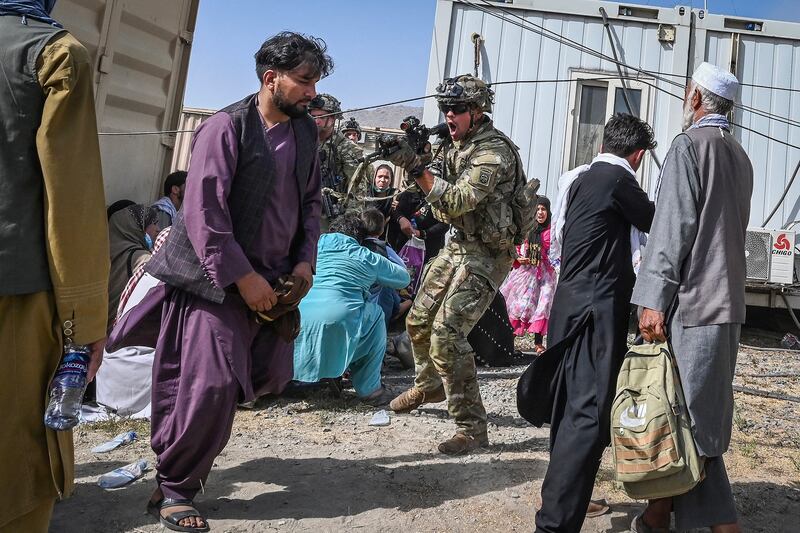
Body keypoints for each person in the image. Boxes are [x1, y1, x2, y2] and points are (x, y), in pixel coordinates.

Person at [106, 31, 330, 532]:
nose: (311, 91)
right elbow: (204, 215)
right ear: (271, 78)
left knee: (261, 378)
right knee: (206, 384)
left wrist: (303, 265)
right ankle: (175, 489)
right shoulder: (224, 128)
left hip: (274, 285)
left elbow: (311, 204)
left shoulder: (305, 134)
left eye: (315, 81)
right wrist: (243, 278)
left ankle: (177, 472)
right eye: (305, 80)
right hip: (216, 283)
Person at [630, 63, 753, 533]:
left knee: (687, 417)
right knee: (697, 410)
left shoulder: (688, 147)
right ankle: (658, 515)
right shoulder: (739, 155)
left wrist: (653, 299)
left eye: (688, 93)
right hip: (729, 305)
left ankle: (718, 523)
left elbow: (671, 229)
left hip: (695, 305)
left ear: (697, 99)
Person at [0, 1, 109, 531]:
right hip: (19, 294)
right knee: (20, 465)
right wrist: (85, 321)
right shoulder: (54, 52)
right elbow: (72, 199)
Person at [386, 74, 526, 455]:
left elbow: (460, 198)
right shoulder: (455, 146)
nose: (449, 115)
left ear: (478, 111)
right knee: (417, 320)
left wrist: (416, 167)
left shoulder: (493, 152)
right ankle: (429, 385)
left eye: (458, 109)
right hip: (459, 244)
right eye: (445, 108)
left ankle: (471, 428)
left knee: (447, 334)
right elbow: (434, 186)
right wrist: (416, 154)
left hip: (488, 253)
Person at [534, 113, 656, 532]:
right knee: (588, 414)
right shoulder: (622, 181)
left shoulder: (580, 179)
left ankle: (567, 500)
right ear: (637, 154)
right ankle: (555, 522)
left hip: (566, 304)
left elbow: (563, 240)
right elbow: (658, 224)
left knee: (566, 405)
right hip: (596, 311)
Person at [293, 213, 410, 405]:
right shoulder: (366, 256)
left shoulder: (310, 250)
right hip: (341, 319)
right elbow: (403, 278)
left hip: (299, 320)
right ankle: (370, 389)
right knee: (375, 314)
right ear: (361, 239)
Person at [499, 196, 555, 352]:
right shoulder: (526, 228)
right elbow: (516, 247)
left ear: (548, 211)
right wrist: (519, 257)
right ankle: (510, 340)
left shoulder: (553, 231)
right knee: (519, 306)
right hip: (525, 274)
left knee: (542, 306)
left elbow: (556, 252)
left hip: (545, 275)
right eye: (537, 209)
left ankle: (538, 342)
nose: (540, 212)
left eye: (543, 209)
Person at [309, 93, 371, 228]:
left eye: (321, 117)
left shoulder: (347, 149)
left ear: (332, 119)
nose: (316, 121)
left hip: (331, 218)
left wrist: (347, 224)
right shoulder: (303, 141)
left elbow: (358, 193)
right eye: (313, 116)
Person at [107, 204, 159, 330]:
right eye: (153, 223)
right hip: (119, 332)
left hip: (97, 329)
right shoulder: (143, 259)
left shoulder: (102, 251)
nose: (158, 228)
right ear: (136, 227)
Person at [360, 208, 412, 329]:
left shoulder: (356, 244)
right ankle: (408, 303)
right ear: (382, 229)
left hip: (359, 294)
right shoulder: (383, 248)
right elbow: (402, 268)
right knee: (387, 288)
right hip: (377, 298)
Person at [391, 185, 450, 264]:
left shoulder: (441, 198)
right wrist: (401, 219)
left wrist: (421, 233)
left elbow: (444, 225)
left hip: (429, 249)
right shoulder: (408, 193)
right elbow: (396, 211)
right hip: (404, 247)